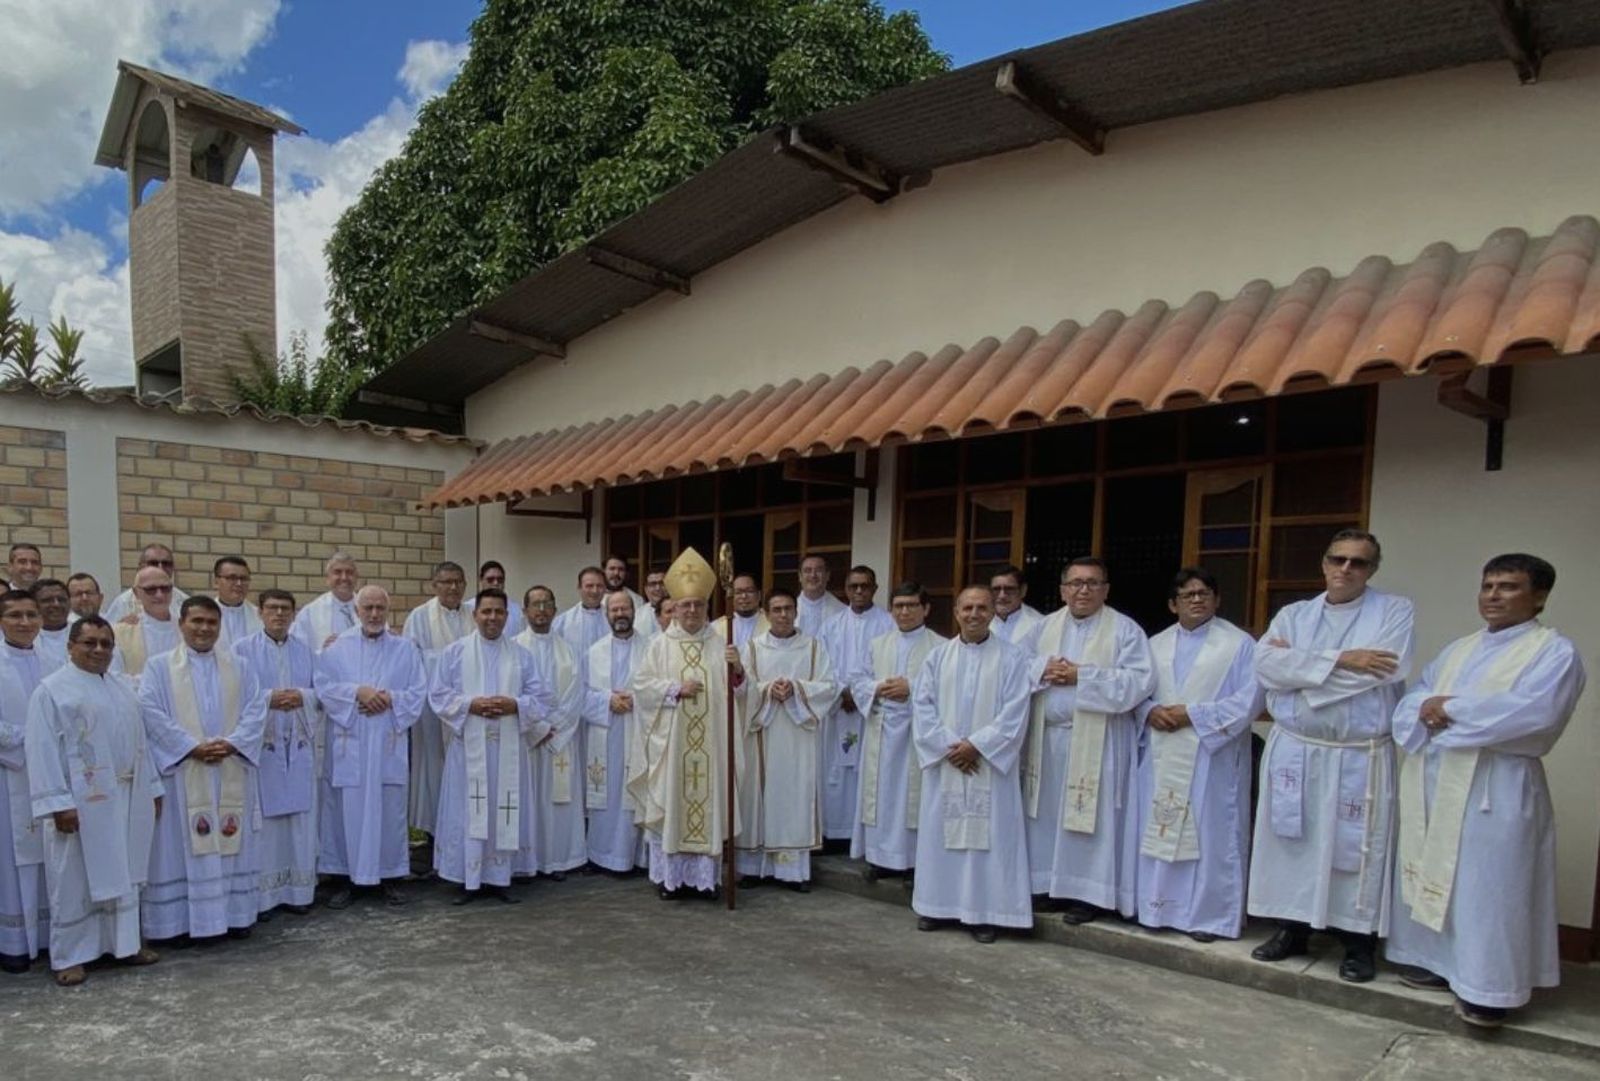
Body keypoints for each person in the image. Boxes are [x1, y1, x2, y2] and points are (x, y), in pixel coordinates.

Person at [1386, 554, 1586, 1028]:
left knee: (1492, 886)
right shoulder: (1460, 648)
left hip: (1499, 783)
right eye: (1488, 585)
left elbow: (1532, 715)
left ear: (1539, 596)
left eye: (1509, 587)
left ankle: (1490, 987)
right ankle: (1441, 964)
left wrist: (1447, 711)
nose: (1493, 595)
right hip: (1441, 776)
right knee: (1447, 877)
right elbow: (1417, 697)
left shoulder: (1553, 652)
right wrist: (1432, 708)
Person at [1249, 529, 1414, 984]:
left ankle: (1358, 941)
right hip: (1298, 748)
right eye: (1337, 559)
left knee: (1355, 849)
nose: (1345, 569)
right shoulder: (1294, 614)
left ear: (1372, 569)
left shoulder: (1394, 611)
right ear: (1323, 563)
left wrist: (1302, 669)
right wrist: (1344, 660)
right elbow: (1264, 667)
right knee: (1291, 841)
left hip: (1357, 754)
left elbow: (1386, 669)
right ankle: (1291, 929)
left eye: (1358, 562)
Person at [26, 617, 162, 986]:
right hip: (81, 802)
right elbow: (41, 750)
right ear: (70, 646)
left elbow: (140, 744)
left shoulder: (121, 688)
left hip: (126, 795)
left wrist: (152, 788)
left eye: (105, 643)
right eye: (90, 643)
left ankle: (126, 944)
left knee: (126, 870)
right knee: (73, 877)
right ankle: (70, 955)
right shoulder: (53, 691)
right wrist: (59, 803)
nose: (99, 650)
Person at [1020, 557, 1154, 924]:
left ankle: (1088, 895)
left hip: (1100, 743)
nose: (1083, 589)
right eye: (1076, 583)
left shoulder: (1126, 630)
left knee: (1091, 819)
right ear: (1063, 590)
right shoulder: (1042, 628)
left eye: (1093, 583)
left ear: (1105, 590)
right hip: (1048, 740)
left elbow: (1139, 682)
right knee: (1047, 817)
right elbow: (1015, 668)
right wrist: (1042, 670)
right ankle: (1048, 886)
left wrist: (1083, 676)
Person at [1134, 568, 1263, 942]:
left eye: (1204, 593)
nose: (1196, 599)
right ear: (1173, 604)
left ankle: (1208, 916)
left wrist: (1193, 713)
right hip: (1161, 750)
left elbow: (1250, 699)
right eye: (1187, 594)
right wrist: (1149, 712)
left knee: (1210, 832)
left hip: (1211, 755)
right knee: (1158, 822)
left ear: (1217, 599)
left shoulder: (1239, 645)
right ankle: (1156, 908)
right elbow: (1138, 692)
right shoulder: (1154, 645)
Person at [137, 596, 267, 942]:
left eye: (211, 622)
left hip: (229, 766)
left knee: (231, 842)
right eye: (196, 621)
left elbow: (257, 709)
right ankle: (178, 923)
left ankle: (234, 915)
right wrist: (189, 746)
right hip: (183, 772)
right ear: (181, 624)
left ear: (219, 627)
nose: (204, 628)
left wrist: (233, 742)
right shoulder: (159, 667)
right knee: (180, 848)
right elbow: (149, 709)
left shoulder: (240, 665)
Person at [910, 586, 1032, 943]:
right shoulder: (937, 657)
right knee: (940, 838)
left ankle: (985, 913)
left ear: (993, 612)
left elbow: (1015, 711)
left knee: (989, 841)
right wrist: (953, 747)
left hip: (988, 766)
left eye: (982, 607)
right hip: (948, 762)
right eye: (968, 608)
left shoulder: (1013, 658)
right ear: (957, 613)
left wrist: (976, 746)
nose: (974, 614)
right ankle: (936, 906)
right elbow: (923, 707)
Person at [628, 548, 744, 901]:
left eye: (697, 604)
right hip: (672, 747)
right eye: (684, 605)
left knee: (706, 807)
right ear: (673, 608)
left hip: (711, 748)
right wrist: (675, 689)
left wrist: (737, 670)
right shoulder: (660, 646)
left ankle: (705, 880)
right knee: (673, 808)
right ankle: (671, 881)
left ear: (707, 608)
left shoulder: (720, 644)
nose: (691, 610)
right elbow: (642, 687)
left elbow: (740, 692)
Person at [430, 588, 546, 903]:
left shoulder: (522, 655)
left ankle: (500, 877)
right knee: (468, 811)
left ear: (507, 617)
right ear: (475, 615)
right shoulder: (454, 653)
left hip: (508, 750)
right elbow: (438, 696)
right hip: (468, 752)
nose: (492, 617)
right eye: (486, 611)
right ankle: (468, 878)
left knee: (503, 809)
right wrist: (471, 704)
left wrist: (515, 705)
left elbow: (540, 699)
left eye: (498, 612)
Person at [316, 585, 427, 908]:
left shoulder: (405, 649)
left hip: (387, 744)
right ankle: (346, 879)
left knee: (389, 810)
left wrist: (390, 698)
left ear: (388, 611)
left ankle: (390, 876)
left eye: (380, 608)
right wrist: (358, 692)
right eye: (368, 608)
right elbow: (323, 685)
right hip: (351, 744)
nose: (375, 614)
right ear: (357, 611)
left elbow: (418, 691)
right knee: (345, 811)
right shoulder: (338, 648)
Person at [737, 589, 841, 890]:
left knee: (795, 796)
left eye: (788, 609)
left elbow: (829, 686)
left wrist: (795, 688)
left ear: (796, 612)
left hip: (798, 736)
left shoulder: (813, 648)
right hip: (763, 734)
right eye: (777, 609)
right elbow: (742, 689)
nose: (783, 615)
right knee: (759, 797)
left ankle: (792, 872)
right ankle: (754, 869)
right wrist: (768, 690)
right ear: (766, 614)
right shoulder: (752, 649)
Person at [850, 581, 945, 880]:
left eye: (912, 605)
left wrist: (911, 687)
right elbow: (858, 680)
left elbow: (946, 689)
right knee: (882, 797)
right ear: (891, 610)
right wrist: (879, 687)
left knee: (912, 798)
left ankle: (913, 863)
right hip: (882, 729)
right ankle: (880, 859)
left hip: (918, 734)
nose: (904, 611)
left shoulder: (940, 647)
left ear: (926, 609)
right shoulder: (879, 643)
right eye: (899, 606)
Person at [234, 589, 320, 916]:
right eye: (272, 608)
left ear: (295, 614)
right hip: (265, 747)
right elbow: (237, 692)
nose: (279, 614)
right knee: (265, 823)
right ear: (260, 612)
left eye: (285, 609)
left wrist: (303, 697)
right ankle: (266, 896)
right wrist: (269, 698)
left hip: (298, 744)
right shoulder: (242, 651)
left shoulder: (306, 651)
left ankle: (298, 892)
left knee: (299, 818)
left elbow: (321, 688)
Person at [0, 589, 58, 972]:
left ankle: (51, 936)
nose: (25, 623)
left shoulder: (54, 659)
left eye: (31, 615)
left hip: (50, 774)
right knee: (11, 857)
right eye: (15, 615)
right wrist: (31, 741)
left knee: (51, 855)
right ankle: (14, 942)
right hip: (10, 777)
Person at [817, 566, 894, 844]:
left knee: (867, 771)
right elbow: (822, 666)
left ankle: (862, 835)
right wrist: (842, 692)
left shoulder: (888, 624)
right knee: (833, 772)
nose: (859, 591)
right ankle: (834, 832)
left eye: (865, 586)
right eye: (853, 586)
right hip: (836, 709)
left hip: (870, 712)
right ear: (845, 589)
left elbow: (889, 665)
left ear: (875, 588)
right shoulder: (831, 626)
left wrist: (861, 694)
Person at [515, 586, 586, 879]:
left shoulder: (569, 650)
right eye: (535, 604)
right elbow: (512, 692)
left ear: (555, 611)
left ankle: (557, 861)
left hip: (561, 740)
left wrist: (553, 728)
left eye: (547, 604)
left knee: (558, 802)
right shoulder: (513, 647)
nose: (541, 610)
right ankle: (527, 862)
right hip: (527, 740)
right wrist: (537, 728)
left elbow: (576, 693)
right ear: (525, 611)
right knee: (528, 799)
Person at [402, 561, 472, 840]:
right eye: (446, 582)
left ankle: (462, 828)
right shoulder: (418, 617)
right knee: (432, 766)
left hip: (467, 708)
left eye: (458, 581)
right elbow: (409, 662)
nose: (453, 587)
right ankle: (432, 833)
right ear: (434, 585)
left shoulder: (473, 615)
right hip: (431, 709)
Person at [582, 591, 647, 874]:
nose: (620, 614)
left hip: (639, 732)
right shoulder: (593, 652)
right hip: (605, 733)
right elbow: (580, 694)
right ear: (607, 614)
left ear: (634, 611)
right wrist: (608, 700)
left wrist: (636, 698)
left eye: (625, 609)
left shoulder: (652, 647)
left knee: (637, 791)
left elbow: (661, 687)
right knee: (606, 794)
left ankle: (639, 857)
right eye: (614, 610)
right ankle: (603, 856)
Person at [109, 566, 181, 682]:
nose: (160, 595)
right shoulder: (120, 633)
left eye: (165, 588)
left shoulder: (186, 629)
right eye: (151, 589)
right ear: (136, 593)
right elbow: (115, 677)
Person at [292, 552, 361, 654]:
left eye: (349, 572)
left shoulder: (371, 608)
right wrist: (322, 651)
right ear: (328, 578)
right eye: (338, 572)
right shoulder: (310, 613)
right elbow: (297, 651)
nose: (344, 578)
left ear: (356, 578)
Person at [104, 544, 190, 622]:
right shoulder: (123, 602)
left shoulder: (184, 602)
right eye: (153, 563)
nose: (160, 567)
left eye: (166, 563)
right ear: (140, 566)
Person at [553, 566, 611, 659]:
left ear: (605, 589)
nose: (595, 591)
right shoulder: (563, 622)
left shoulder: (612, 619)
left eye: (599, 586)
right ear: (579, 587)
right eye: (589, 586)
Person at [466, 561, 527, 638]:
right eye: (490, 579)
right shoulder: (468, 607)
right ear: (481, 580)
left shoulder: (516, 609)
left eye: (500, 579)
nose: (495, 583)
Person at [212, 556, 262, 646]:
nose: (239, 583)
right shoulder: (205, 614)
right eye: (232, 578)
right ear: (216, 582)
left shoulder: (259, 616)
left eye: (243, 579)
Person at [989, 565, 1042, 644]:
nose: (1002, 595)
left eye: (1009, 589)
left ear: (1023, 590)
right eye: (996, 589)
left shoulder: (1040, 623)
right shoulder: (980, 620)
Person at [796, 554, 845, 637]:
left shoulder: (842, 612)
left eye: (818, 570)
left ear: (827, 575)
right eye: (808, 570)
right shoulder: (787, 609)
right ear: (800, 576)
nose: (813, 575)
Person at [720, 573, 769, 649]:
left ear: (759, 595)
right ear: (731, 597)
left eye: (749, 591)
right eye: (738, 592)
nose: (744, 596)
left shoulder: (771, 624)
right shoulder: (718, 627)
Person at [32, 578, 71, 668]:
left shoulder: (82, 632)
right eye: (47, 600)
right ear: (34, 605)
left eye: (61, 599)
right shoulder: (25, 638)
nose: (56, 604)